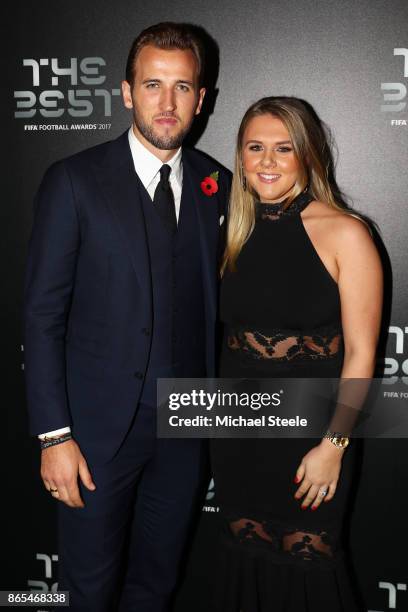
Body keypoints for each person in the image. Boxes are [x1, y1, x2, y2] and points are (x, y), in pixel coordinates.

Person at [24, 22, 230, 612]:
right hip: (94, 435)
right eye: (153, 85)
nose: (167, 103)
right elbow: (41, 317)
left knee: (156, 585)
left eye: (182, 87)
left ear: (201, 98)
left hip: (186, 428)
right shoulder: (74, 181)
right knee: (88, 590)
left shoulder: (220, 185)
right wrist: (54, 435)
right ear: (125, 92)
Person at [210, 97, 383, 611]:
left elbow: (361, 356)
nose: (267, 161)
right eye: (255, 148)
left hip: (313, 440)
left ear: (308, 155)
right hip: (238, 435)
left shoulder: (346, 232)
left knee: (308, 569)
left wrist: (334, 446)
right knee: (245, 566)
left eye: (283, 149)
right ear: (240, 156)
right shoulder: (231, 230)